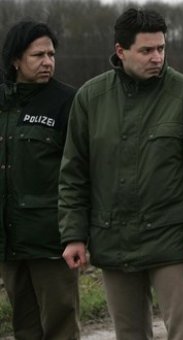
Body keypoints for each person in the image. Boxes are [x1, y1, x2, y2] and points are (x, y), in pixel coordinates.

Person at [59, 8, 183, 340]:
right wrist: (74, 234)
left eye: (161, 48)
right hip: (114, 241)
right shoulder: (91, 99)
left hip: (171, 242)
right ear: (121, 51)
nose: (157, 57)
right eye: (146, 50)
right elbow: (73, 174)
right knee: (129, 334)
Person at [0, 21, 80, 339]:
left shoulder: (67, 101)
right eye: (38, 55)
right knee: (23, 326)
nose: (48, 62)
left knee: (61, 324)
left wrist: (76, 232)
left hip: (51, 238)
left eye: (51, 54)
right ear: (15, 60)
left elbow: (79, 171)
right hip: (8, 239)